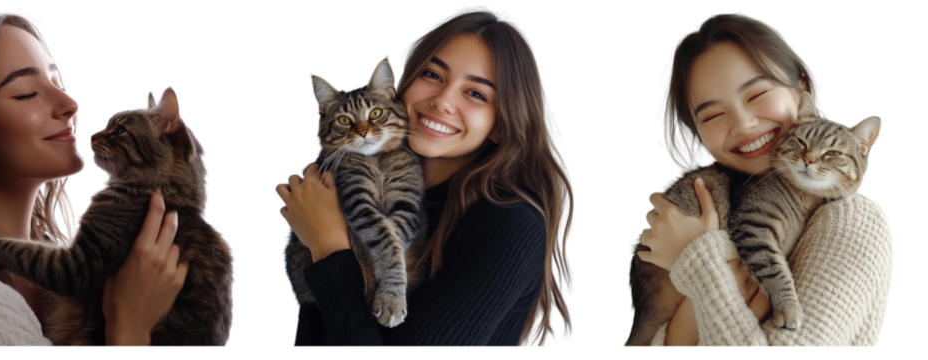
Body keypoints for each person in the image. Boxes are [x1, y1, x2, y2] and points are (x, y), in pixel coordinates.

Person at [0, 9, 189, 347]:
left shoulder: (65, 275)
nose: (70, 103)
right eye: (26, 92)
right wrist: (129, 327)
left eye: (57, 83)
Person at [274, 4, 577, 347]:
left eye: (476, 93)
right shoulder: (375, 189)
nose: (442, 101)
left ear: (501, 125)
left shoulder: (512, 224)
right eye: (433, 75)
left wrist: (329, 247)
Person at [638, 11, 893, 347]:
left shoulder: (854, 221)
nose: (743, 125)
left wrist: (700, 259)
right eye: (712, 115)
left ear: (801, 87)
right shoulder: (748, 188)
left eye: (756, 94)